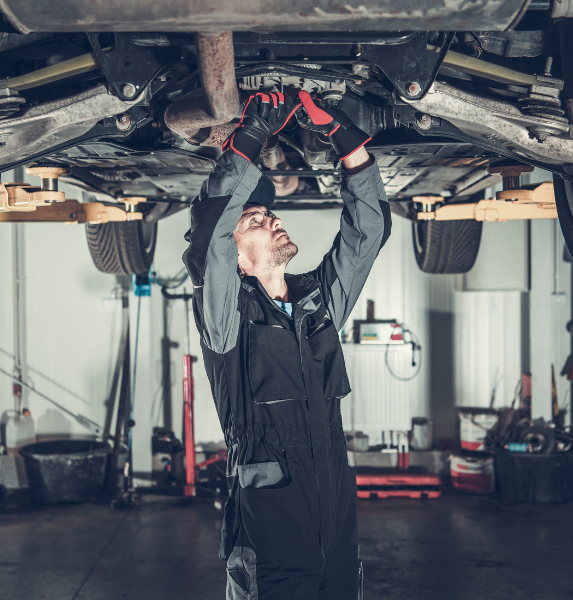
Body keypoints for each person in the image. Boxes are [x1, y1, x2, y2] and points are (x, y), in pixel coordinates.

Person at [183, 90, 391, 600]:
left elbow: (369, 232)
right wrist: (250, 136)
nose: (272, 219)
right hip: (270, 551)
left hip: (337, 538)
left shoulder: (317, 305)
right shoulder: (227, 322)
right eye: (254, 221)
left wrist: (346, 141)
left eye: (267, 215)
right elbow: (209, 238)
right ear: (238, 263)